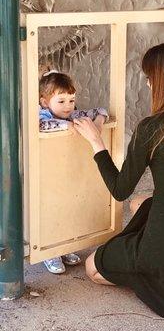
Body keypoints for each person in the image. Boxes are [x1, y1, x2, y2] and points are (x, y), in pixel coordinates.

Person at [73, 41, 164, 322]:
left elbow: (120, 189)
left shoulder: (152, 129)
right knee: (141, 203)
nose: (148, 85)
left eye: (150, 78)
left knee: (93, 267)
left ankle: (147, 274)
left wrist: (96, 142)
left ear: (161, 81)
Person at [39, 69, 108, 274]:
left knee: (66, 206)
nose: (68, 106)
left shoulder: (73, 113)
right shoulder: (42, 114)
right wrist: (65, 127)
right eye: (61, 101)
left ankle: (64, 247)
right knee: (49, 208)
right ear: (44, 102)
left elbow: (101, 110)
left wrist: (97, 123)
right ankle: (48, 252)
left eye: (71, 100)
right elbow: (41, 125)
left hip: (64, 169)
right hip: (44, 173)